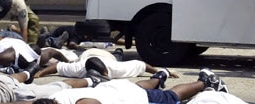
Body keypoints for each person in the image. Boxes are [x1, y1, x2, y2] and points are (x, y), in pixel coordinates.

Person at [36, 68, 255, 104]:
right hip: (120, 89)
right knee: (165, 92)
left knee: (168, 96)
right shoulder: (60, 96)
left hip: (133, 96)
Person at [35, 47, 179, 79]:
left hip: (108, 57)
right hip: (87, 54)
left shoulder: (116, 68)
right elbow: (57, 67)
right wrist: (40, 74)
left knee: (118, 55)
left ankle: (118, 51)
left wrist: (164, 71)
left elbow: (141, 64)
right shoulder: (79, 68)